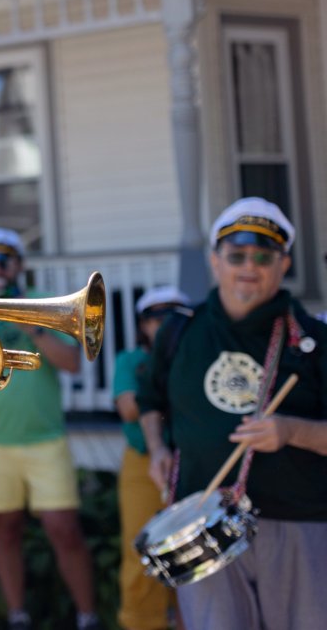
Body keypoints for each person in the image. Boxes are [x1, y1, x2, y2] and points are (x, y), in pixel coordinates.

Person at [138, 197, 327, 630]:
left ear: (284, 265)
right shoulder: (179, 331)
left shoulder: (313, 339)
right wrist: (155, 448)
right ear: (215, 261)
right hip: (201, 523)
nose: (249, 266)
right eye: (236, 254)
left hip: (297, 521)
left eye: (263, 256)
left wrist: (291, 431)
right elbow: (150, 401)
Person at [0, 228, 99, 630]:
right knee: (4, 530)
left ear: (20, 264)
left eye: (5, 260)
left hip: (44, 439)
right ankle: (17, 616)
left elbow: (72, 363)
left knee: (65, 529)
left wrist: (27, 320)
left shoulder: (46, 304)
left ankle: (87, 616)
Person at [113, 286, 189, 630]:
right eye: (154, 317)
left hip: (193, 463)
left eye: (173, 315)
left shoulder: (196, 358)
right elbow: (129, 407)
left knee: (194, 552)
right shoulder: (132, 360)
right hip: (143, 464)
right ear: (143, 326)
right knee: (141, 549)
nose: (163, 323)